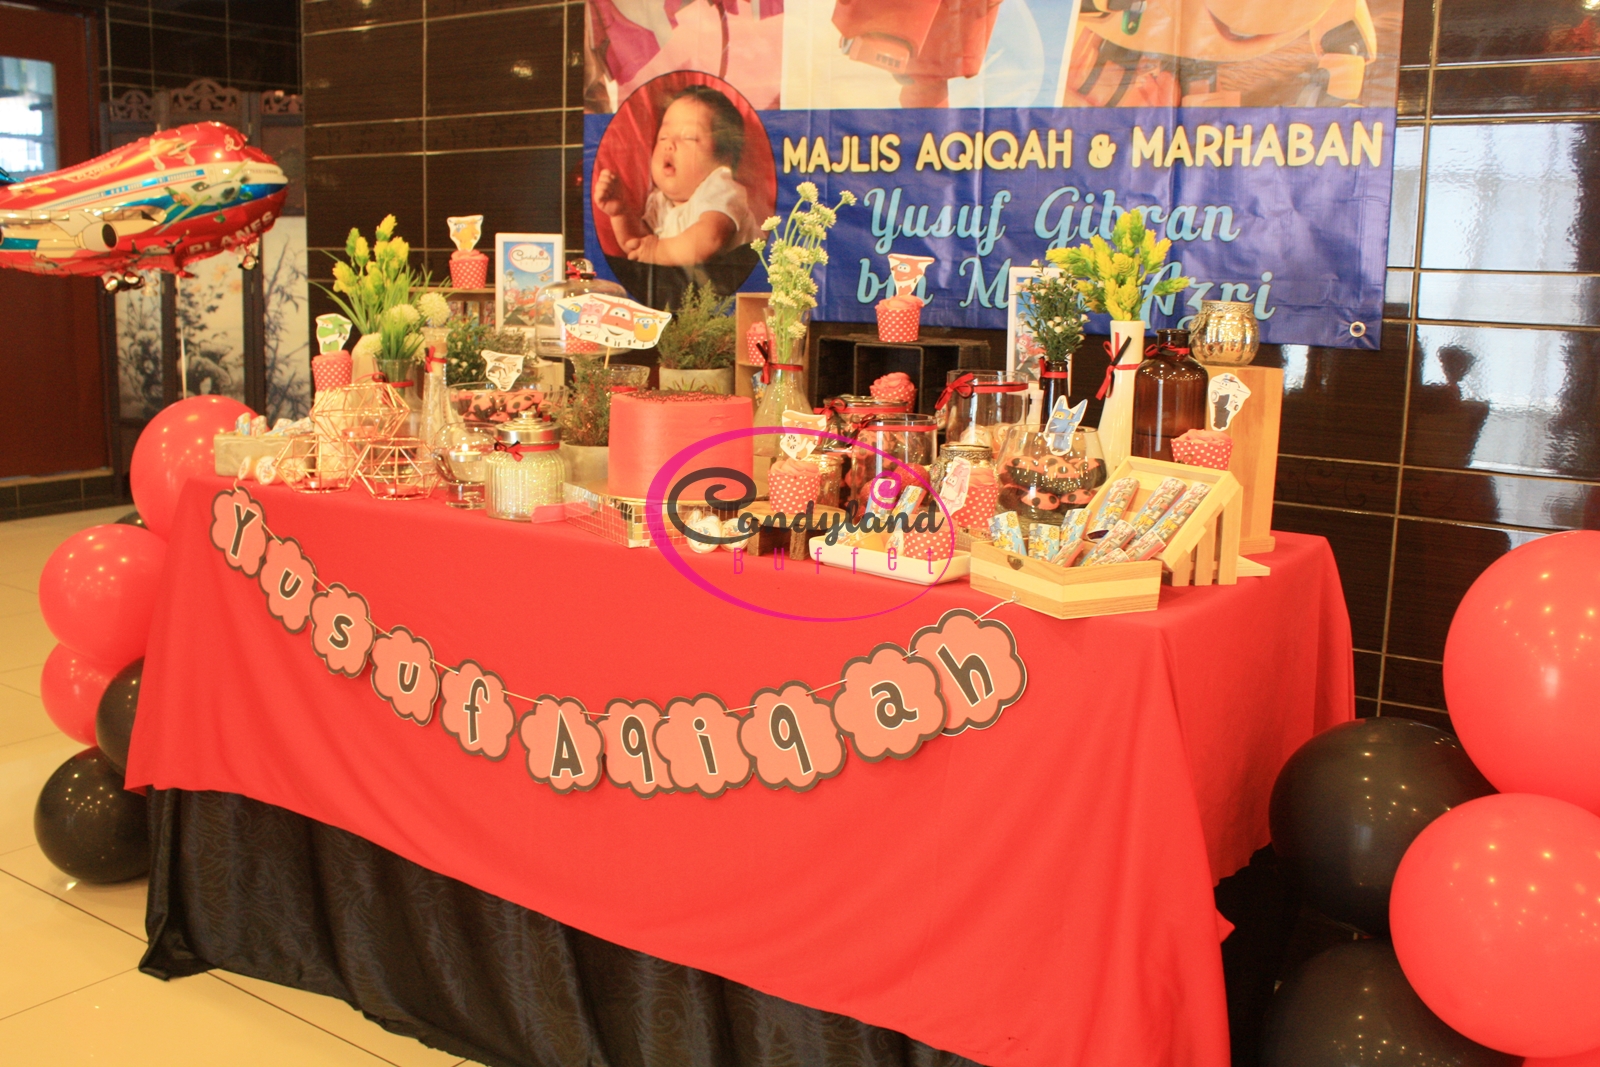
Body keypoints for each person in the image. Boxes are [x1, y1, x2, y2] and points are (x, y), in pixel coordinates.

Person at [593, 84, 761, 267]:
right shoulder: (659, 202)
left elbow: (710, 239)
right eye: (663, 137)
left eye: (689, 137)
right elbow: (640, 247)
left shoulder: (721, 187)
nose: (669, 145)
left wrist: (656, 252)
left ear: (724, 158)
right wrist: (621, 214)